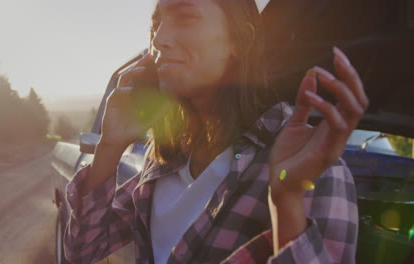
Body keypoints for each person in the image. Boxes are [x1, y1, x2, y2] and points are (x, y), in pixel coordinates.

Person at [64, 0, 368, 263]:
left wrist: (285, 203)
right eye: (156, 24)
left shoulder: (311, 166)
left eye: (185, 17)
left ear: (240, 41)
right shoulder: (168, 158)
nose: (159, 39)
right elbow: (82, 252)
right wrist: (110, 145)